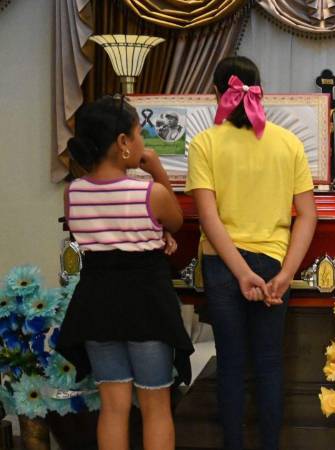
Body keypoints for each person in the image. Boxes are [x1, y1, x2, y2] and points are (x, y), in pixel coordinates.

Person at [185, 56, 317, 450]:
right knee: (270, 364)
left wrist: (241, 272)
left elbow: (209, 219)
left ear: (215, 93)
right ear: (261, 89)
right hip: (274, 263)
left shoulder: (204, 143)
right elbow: (308, 216)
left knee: (230, 365)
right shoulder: (288, 142)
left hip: (224, 266)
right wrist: (285, 273)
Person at [57, 95, 194, 450]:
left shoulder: (73, 194)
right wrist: (156, 168)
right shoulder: (150, 192)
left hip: (97, 306)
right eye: (139, 135)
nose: (142, 143)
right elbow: (175, 220)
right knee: (155, 406)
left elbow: (99, 236)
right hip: (146, 306)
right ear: (122, 143)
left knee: (114, 407)